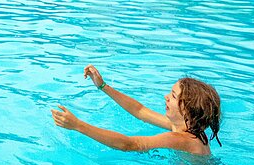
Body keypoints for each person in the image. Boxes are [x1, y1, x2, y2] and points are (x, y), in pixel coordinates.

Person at [51, 64, 220, 156]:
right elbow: (140, 110)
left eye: (174, 96)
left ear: (188, 112)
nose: (166, 97)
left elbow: (130, 144)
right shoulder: (188, 128)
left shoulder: (181, 138)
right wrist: (103, 86)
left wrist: (78, 125)